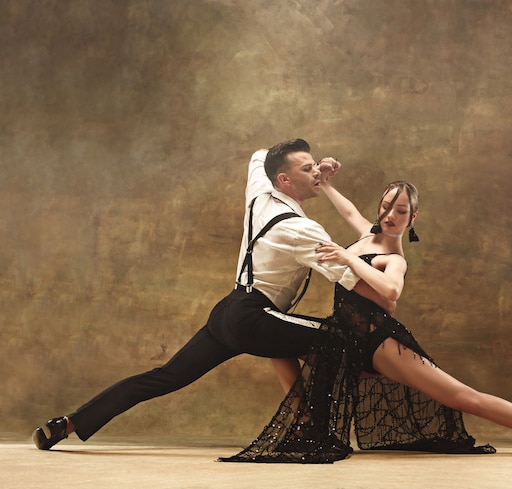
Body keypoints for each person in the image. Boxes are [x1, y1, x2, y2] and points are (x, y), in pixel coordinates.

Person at [220, 165, 512, 463]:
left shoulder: (393, 258)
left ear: (412, 219)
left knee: (465, 398)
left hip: (379, 343)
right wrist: (326, 184)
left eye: (400, 210)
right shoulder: (365, 234)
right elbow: (351, 210)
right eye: (387, 206)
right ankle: (304, 424)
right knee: (272, 338)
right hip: (346, 337)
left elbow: (391, 292)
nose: (390, 214)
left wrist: (345, 259)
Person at [32, 138, 394, 450]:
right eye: (307, 169)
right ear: (283, 180)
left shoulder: (260, 192)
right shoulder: (303, 229)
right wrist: (387, 277)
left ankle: (68, 424)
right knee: (338, 342)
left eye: (315, 165)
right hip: (254, 317)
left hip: (227, 312)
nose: (316, 173)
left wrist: (313, 168)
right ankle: (310, 432)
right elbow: (352, 281)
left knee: (164, 377)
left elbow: (259, 155)